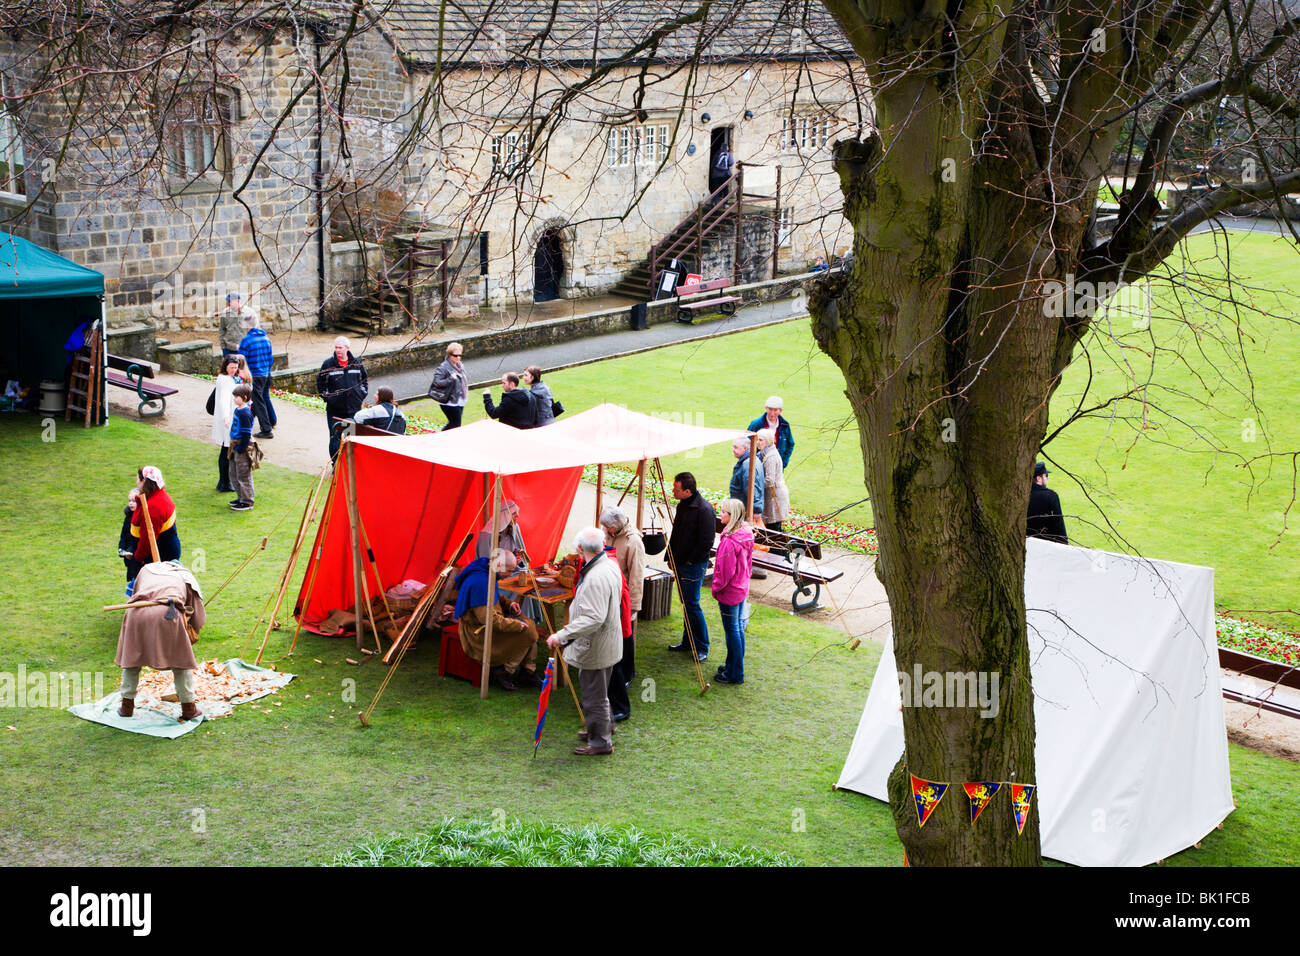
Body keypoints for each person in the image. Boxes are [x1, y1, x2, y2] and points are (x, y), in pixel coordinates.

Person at [546, 527, 624, 756]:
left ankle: (600, 742)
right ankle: (605, 727)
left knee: (593, 696)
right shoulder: (609, 564)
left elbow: (592, 618)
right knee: (599, 690)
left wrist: (560, 635)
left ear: (581, 549)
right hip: (607, 641)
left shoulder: (596, 577)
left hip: (597, 645)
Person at [114, 561, 206, 722]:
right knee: (181, 662)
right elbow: (197, 610)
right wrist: (194, 629)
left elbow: (136, 591)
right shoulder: (185, 576)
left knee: (132, 661)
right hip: (167, 614)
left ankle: (126, 707)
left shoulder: (146, 569)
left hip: (136, 614)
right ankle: (189, 708)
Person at [452, 548, 544, 691]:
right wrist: (515, 625)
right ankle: (506, 671)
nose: (509, 574)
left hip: (489, 622)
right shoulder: (480, 583)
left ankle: (528, 671)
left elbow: (495, 597)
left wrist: (509, 604)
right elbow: (489, 620)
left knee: (529, 625)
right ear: (500, 565)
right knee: (529, 632)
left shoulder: (487, 569)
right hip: (478, 634)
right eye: (509, 570)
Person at [600, 506, 644, 722]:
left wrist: (635, 604)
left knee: (625, 639)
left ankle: (627, 675)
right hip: (610, 596)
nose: (604, 530)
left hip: (624, 598)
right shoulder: (610, 534)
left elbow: (637, 575)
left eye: (607, 527)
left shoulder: (633, 541)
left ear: (615, 526)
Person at [667, 472, 715, 661]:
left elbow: (706, 542)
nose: (673, 492)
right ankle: (688, 642)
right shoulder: (683, 506)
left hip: (693, 565)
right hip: (680, 561)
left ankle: (702, 646)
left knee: (692, 605)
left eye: (676, 489)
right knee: (686, 604)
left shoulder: (704, 510)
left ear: (687, 491)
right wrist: (670, 556)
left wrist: (689, 561)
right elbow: (676, 533)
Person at [711, 499, 754, 685]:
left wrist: (716, 587)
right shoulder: (745, 534)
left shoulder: (730, 542)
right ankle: (733, 665)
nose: (720, 514)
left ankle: (735, 673)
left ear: (732, 516)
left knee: (732, 632)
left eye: (724, 512)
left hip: (730, 591)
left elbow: (725, 571)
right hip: (741, 587)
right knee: (737, 629)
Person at [118, 466, 181, 589]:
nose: (136, 482)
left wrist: (137, 558)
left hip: (159, 559)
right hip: (160, 555)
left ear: (144, 482)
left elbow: (148, 539)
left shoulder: (154, 506)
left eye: (138, 479)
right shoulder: (157, 497)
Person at [317, 336, 368, 460]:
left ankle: (348, 462)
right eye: (336, 347)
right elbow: (321, 384)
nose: (337, 350)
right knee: (335, 437)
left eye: (340, 347)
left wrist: (360, 395)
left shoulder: (356, 363)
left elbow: (364, 380)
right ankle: (336, 463)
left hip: (352, 409)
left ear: (347, 348)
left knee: (349, 437)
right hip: (335, 410)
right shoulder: (328, 364)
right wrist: (329, 399)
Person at [238, 320, 275, 438]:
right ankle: (247, 423)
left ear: (247, 326)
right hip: (265, 374)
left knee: (257, 401)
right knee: (259, 400)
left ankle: (266, 429)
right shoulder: (266, 339)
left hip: (254, 375)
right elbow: (270, 359)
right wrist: (266, 371)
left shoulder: (246, 341)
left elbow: (241, 361)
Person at [210, 354, 241, 493]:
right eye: (231, 367)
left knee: (226, 450)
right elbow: (223, 400)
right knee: (226, 451)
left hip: (228, 417)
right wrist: (226, 417)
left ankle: (223, 482)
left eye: (235, 367)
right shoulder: (224, 380)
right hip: (227, 419)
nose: (233, 370)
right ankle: (224, 481)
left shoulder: (227, 378)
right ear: (226, 366)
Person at [427, 342, 468, 430]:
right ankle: (441, 437)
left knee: (454, 425)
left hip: (459, 399)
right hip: (449, 401)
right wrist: (450, 378)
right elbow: (437, 382)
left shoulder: (460, 365)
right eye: (455, 355)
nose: (458, 358)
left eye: (460, 355)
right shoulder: (443, 367)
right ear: (449, 355)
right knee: (455, 425)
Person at [756, 427, 791, 533]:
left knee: (773, 530)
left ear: (768, 441)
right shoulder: (765, 454)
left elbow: (770, 481)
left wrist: (754, 484)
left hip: (775, 498)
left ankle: (779, 550)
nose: (757, 442)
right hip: (772, 497)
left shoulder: (770, 457)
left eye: (760, 440)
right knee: (773, 529)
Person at [228, 384, 256, 511]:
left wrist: (241, 448)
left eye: (236, 397)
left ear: (244, 398)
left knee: (243, 474)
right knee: (233, 473)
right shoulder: (238, 410)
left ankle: (247, 501)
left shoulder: (245, 413)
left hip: (241, 446)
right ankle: (240, 497)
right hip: (234, 444)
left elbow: (246, 433)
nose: (234, 399)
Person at [1027, 461, 1068, 544]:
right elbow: (1059, 526)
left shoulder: (1021, 495)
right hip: (1046, 545)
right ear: (1038, 478)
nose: (1048, 478)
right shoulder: (1051, 496)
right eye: (1046, 475)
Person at [747, 396, 794, 468]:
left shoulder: (785, 425)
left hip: (777, 468)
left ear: (781, 411)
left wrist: (783, 462)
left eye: (775, 410)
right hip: (758, 467)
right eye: (770, 409)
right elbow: (747, 444)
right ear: (766, 408)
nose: (772, 413)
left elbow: (790, 444)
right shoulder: (756, 424)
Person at [729, 437, 765, 520]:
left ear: (745, 448)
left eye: (735, 447)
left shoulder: (748, 464)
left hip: (745, 512)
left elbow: (752, 488)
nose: (733, 450)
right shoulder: (751, 460)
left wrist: (755, 510)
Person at [219, 291, 258, 357]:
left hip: (244, 348)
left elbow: (254, 330)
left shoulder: (249, 312)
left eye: (230, 301)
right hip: (228, 348)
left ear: (237, 301)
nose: (228, 303)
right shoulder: (225, 313)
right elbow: (222, 330)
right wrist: (223, 346)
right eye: (227, 301)